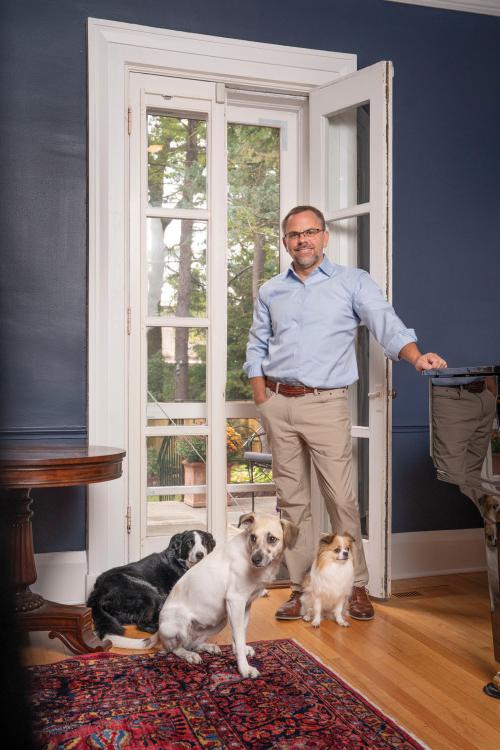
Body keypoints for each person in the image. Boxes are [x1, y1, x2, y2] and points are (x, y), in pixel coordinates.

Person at [244, 205, 447, 621]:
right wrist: (262, 396)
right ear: (285, 242)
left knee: (342, 501)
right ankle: (304, 589)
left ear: (324, 237)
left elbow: (386, 323)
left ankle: (355, 586)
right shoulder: (270, 291)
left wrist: (414, 356)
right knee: (293, 504)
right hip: (278, 403)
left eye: (311, 232)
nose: (303, 240)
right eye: (294, 234)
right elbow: (257, 344)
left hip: (325, 403)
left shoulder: (352, 282)